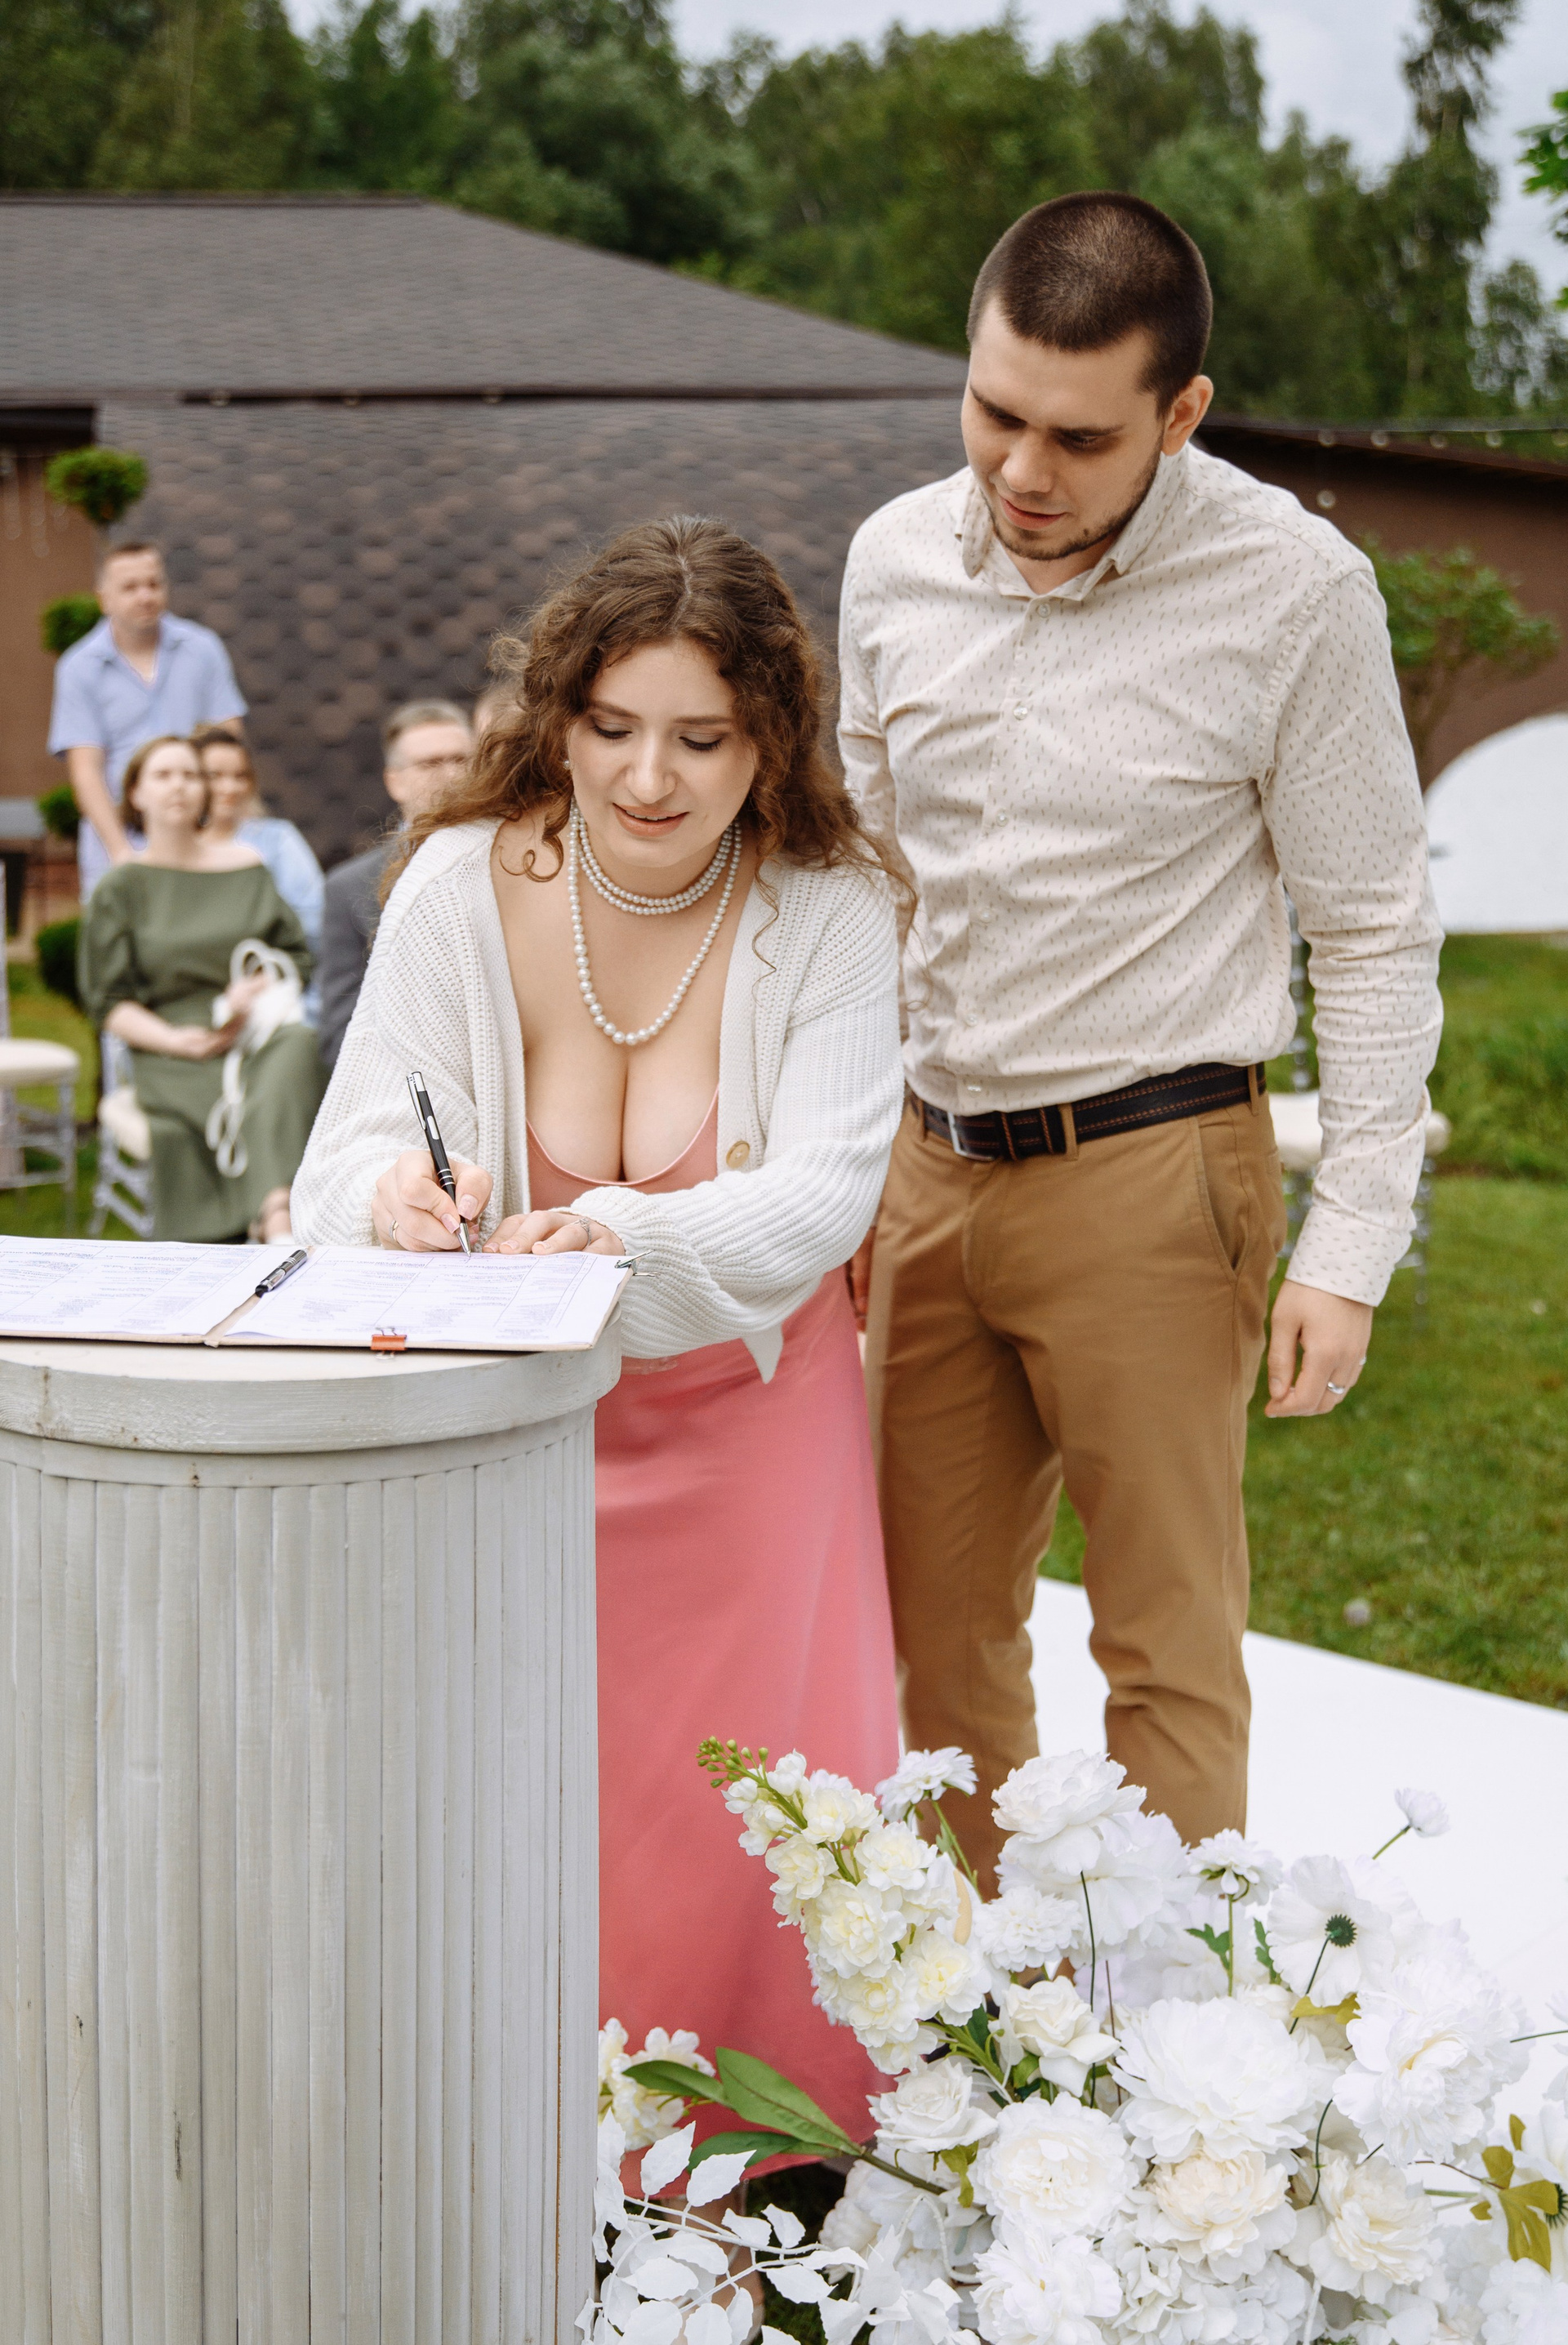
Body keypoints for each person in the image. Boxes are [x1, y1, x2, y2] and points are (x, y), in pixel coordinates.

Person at [843, 192, 1443, 1881]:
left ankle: (1174, 2025)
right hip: (923, 1165)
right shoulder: (893, 559)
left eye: (1080, 437)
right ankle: (965, 1995)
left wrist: (1354, 1243)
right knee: (927, 1632)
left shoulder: (1296, 592)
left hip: (1155, 1170)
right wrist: (833, 1162)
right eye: (994, 411)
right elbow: (863, 879)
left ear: (1183, 414)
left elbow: (1374, 926)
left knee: (1163, 1645)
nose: (1022, 470)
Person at [292, 519, 904, 2143]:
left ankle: (764, 2164)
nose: (649, 776)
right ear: (557, 716)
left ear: (770, 739)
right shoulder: (455, 885)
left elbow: (827, 1191)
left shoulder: (832, 907)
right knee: (520, 1796)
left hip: (754, 1434)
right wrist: (395, 1202)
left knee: (746, 1806)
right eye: (613, 726)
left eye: (702, 737)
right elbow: (343, 1158)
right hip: (515, 1441)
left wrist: (619, 1234)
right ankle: (516, 2139)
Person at [79, 735, 327, 1243]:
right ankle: (272, 1219)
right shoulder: (120, 888)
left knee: (299, 1047)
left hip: (255, 1032)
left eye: (191, 775)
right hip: (170, 1044)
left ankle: (274, 1213)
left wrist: (253, 991)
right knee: (237, 1100)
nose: (180, 785)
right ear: (136, 794)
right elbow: (108, 1001)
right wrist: (176, 1041)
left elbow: (295, 955)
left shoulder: (246, 866)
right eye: (164, 775)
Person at [47, 542, 247, 896]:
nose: (145, 596)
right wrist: (121, 853)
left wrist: (211, 836)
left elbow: (228, 743)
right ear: (104, 599)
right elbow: (86, 772)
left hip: (197, 837)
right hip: (117, 844)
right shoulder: (79, 668)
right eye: (130, 587)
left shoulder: (203, 649)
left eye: (154, 584)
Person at [316, 699, 473, 1068]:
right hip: (408, 1080)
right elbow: (342, 1033)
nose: (451, 775)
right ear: (394, 781)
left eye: (461, 760)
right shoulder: (348, 889)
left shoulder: (520, 862)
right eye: (430, 764)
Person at [194, 724, 326, 975]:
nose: (230, 787)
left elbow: (314, 921)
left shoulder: (277, 839)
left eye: (240, 776)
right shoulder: (174, 848)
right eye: (215, 776)